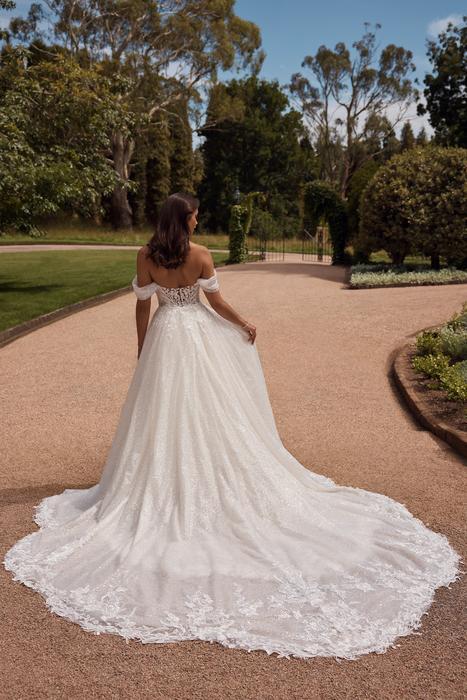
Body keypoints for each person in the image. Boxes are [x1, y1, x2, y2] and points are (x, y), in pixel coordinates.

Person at [3, 192, 462, 661]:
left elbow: (143, 307)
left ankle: (169, 476)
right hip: (197, 336)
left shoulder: (146, 256)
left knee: (164, 411)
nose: (200, 218)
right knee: (213, 408)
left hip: (165, 336)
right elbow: (216, 303)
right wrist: (246, 323)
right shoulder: (200, 255)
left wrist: (143, 350)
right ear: (184, 219)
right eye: (196, 214)